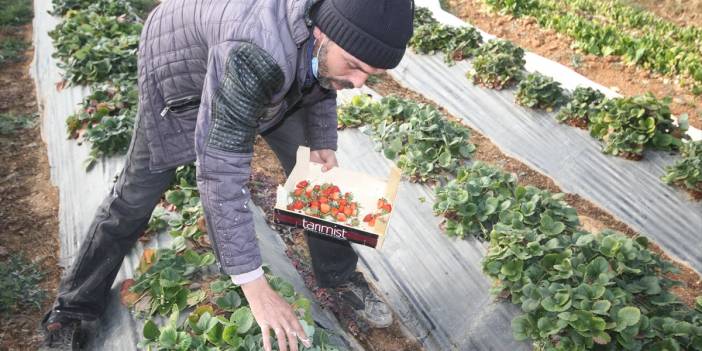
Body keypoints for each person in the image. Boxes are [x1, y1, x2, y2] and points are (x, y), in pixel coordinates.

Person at [40, 0, 414, 350]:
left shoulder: (329, 28)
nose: (361, 82)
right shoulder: (256, 52)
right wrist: (253, 285)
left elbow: (323, 79)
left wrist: (322, 141)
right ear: (320, 33)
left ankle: (339, 275)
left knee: (315, 174)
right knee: (136, 194)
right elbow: (219, 171)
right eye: (354, 65)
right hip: (180, 67)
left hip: (261, 64)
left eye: (372, 73)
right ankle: (73, 307)